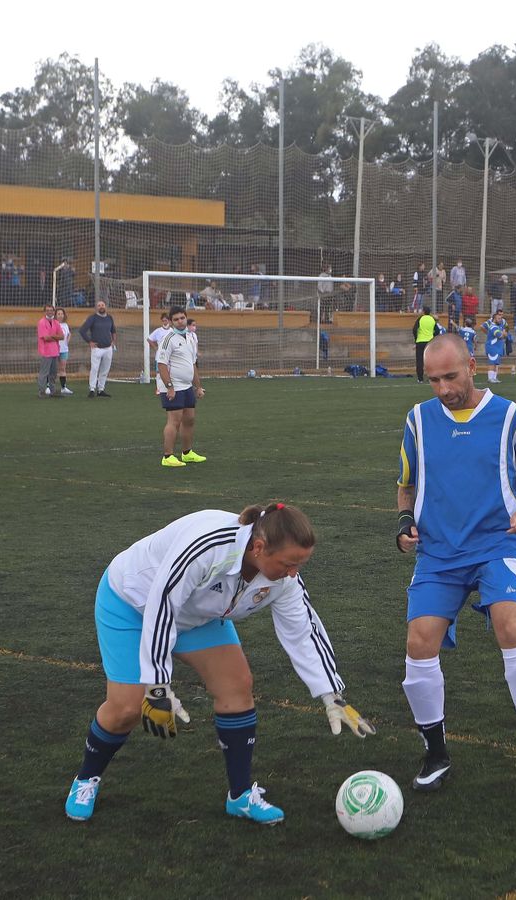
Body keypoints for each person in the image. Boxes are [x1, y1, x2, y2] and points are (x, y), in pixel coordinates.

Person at [62, 501, 375, 825]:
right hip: (132, 605)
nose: (294, 573)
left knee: (237, 685)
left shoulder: (285, 579)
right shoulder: (207, 546)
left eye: (300, 564)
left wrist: (330, 694)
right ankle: (86, 779)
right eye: (289, 563)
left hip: (198, 615)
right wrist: (157, 684)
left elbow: (303, 631)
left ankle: (239, 796)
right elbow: (162, 606)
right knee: (126, 709)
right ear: (258, 547)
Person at [394, 334, 516, 791]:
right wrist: (406, 521)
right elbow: (406, 484)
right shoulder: (418, 420)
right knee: (419, 642)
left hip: (497, 544)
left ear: (471, 364)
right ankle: (435, 752)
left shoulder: (512, 418)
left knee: (512, 625)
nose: (443, 388)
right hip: (440, 552)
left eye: (450, 376)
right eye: (433, 380)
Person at [157, 307, 207, 468]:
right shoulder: (168, 339)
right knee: (174, 420)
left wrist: (198, 387)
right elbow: (161, 364)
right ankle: (168, 456)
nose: (180, 321)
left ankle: (187, 453)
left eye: (182, 318)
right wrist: (169, 386)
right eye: (176, 319)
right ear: (171, 322)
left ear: (186, 318)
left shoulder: (191, 338)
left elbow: (192, 364)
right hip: (173, 386)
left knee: (190, 419)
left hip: (186, 386)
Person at [79, 299, 117, 398]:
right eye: (99, 305)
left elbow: (113, 331)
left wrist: (113, 341)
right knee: (95, 369)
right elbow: (82, 330)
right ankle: (92, 389)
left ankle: (101, 389)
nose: (101, 307)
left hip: (108, 348)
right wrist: (89, 342)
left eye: (102, 305)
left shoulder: (109, 318)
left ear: (105, 306)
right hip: (97, 349)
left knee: (105, 369)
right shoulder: (92, 318)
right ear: (96, 308)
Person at [37, 304, 64, 398]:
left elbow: (62, 336)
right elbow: (46, 338)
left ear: (53, 311)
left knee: (53, 373)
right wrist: (55, 337)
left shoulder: (56, 322)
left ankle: (53, 391)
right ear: (45, 312)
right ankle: (41, 391)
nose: (50, 312)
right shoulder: (41, 322)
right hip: (46, 351)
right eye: (47, 310)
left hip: (55, 351)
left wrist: (52, 336)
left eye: (51, 310)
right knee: (44, 373)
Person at [412, 306, 438, 382]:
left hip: (420, 342)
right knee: (430, 360)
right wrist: (433, 338)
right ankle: (432, 377)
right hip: (430, 343)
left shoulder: (420, 319)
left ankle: (420, 379)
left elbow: (414, 329)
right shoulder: (432, 319)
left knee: (420, 361)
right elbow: (437, 330)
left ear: (423, 312)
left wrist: (416, 338)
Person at [482, 310, 507, 384]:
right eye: (498, 319)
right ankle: (490, 378)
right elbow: (500, 336)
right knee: (492, 362)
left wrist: (504, 334)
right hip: (492, 347)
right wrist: (504, 334)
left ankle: (494, 378)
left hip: (497, 347)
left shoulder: (497, 326)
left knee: (496, 363)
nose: (500, 320)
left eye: (500, 318)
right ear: (494, 319)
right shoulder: (493, 327)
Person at [55, 308, 75, 396]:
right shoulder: (53, 324)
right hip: (54, 350)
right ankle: (48, 387)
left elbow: (69, 333)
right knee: (52, 369)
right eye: (58, 314)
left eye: (61, 314)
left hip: (64, 350)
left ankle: (63, 387)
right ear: (55, 315)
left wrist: (67, 341)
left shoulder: (65, 325)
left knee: (62, 369)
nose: (60, 315)